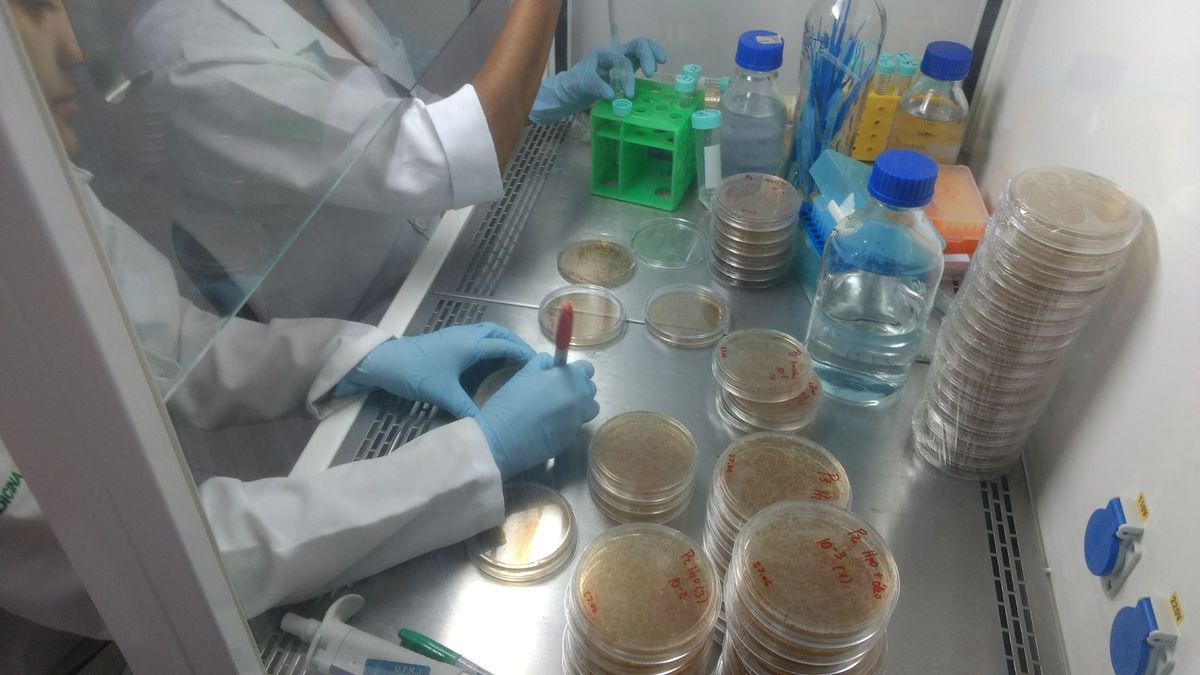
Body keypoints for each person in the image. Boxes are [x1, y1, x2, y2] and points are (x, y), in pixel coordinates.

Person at [0, 1, 599, 672]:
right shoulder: (185, 44)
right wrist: (473, 457)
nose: (77, 50)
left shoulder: (35, 189)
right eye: (31, 5)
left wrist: (357, 355)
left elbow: (171, 344)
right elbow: (187, 556)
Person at [127, 0, 667, 321]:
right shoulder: (194, 47)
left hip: (425, 256)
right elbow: (429, 157)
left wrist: (544, 96)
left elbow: (391, 98)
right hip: (350, 323)